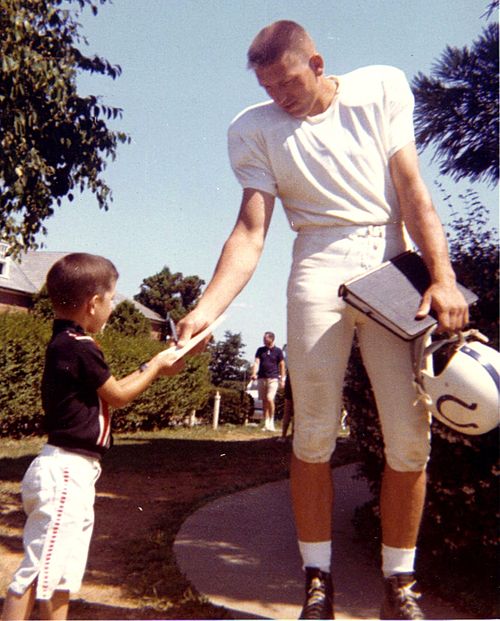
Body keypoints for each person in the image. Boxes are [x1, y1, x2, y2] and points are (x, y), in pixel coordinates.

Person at [176, 20, 468, 620]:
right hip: (317, 261)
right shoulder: (253, 130)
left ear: (316, 61)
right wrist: (205, 311)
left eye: (287, 82)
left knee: (410, 438)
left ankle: (400, 584)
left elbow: (412, 190)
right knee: (311, 431)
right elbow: (251, 232)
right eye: (268, 87)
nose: (279, 97)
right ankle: (317, 581)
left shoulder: (381, 88)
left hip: (390, 266)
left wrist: (442, 276)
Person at [1, 253, 184, 621]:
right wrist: (156, 366)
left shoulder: (68, 342)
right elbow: (117, 395)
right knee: (39, 574)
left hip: (73, 471)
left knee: (61, 574)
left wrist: (155, 366)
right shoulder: (78, 346)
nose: (114, 306)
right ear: (94, 302)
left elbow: (112, 390)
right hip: (66, 471)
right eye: (113, 298)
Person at [250, 331, 285, 431]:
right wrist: (254, 373)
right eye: (263, 339)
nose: (264, 341)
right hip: (261, 378)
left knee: (270, 398)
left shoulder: (278, 351)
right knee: (264, 401)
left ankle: (271, 421)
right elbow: (257, 362)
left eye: (265, 339)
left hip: (273, 378)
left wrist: (282, 379)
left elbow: (282, 365)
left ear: (272, 339)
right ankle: (266, 423)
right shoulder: (260, 350)